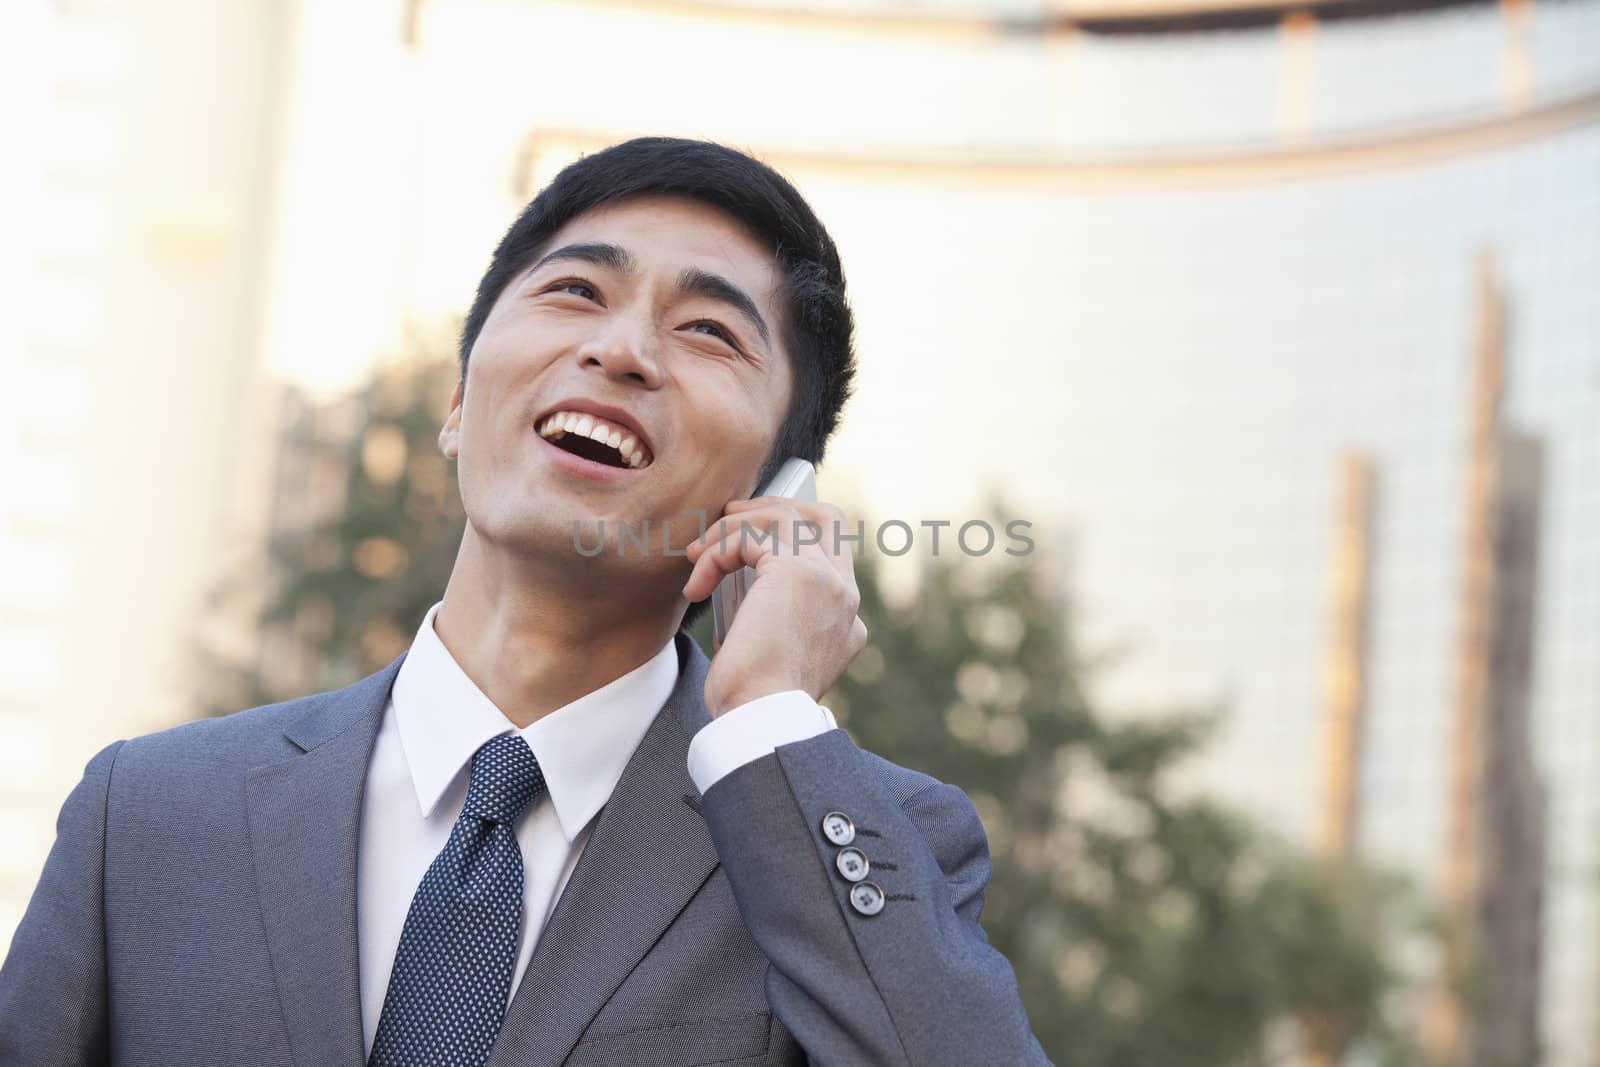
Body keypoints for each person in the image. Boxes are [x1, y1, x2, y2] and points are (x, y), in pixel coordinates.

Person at [0, 137, 1050, 1066]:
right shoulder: (146, 815)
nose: (621, 349)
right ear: (458, 402)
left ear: (777, 495)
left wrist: (770, 711)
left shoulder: (860, 835)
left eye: (707, 333)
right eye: (576, 293)